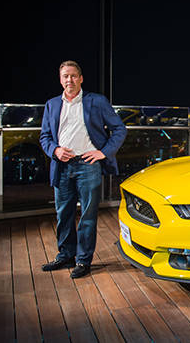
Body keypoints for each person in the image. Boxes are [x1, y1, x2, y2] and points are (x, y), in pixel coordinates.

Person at [40, 60, 126, 278]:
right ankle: (66, 255)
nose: (69, 80)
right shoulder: (51, 104)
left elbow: (119, 129)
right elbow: (45, 137)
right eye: (65, 76)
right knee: (63, 214)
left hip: (88, 166)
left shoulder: (96, 101)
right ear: (60, 80)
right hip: (62, 166)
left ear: (80, 79)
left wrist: (103, 152)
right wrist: (55, 151)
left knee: (88, 216)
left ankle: (83, 261)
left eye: (73, 76)